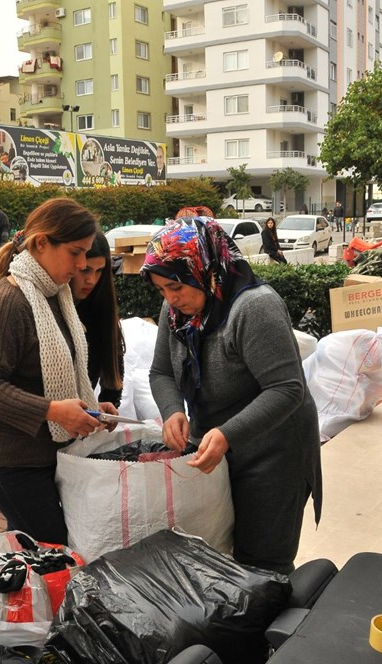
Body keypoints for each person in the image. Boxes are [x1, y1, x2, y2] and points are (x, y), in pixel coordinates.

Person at [144, 217, 322, 576]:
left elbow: (287, 389)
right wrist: (172, 411)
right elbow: (161, 371)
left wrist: (228, 434)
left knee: (263, 561)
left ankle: (271, 630)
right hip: (219, 444)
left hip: (275, 448)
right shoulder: (176, 311)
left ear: (204, 268)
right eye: (162, 289)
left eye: (176, 286)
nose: (170, 298)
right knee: (220, 554)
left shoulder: (253, 307)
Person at [0, 197, 117, 544]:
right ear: (42, 243)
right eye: (75, 253)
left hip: (41, 454)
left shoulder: (54, 294)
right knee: (51, 548)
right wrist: (52, 411)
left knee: (33, 548)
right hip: (10, 459)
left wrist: (86, 405)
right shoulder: (7, 302)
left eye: (87, 255)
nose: (81, 266)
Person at [70, 233, 124, 407]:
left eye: (99, 270)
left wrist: (106, 406)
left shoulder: (100, 307)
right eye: (85, 270)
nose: (91, 280)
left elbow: (114, 367)